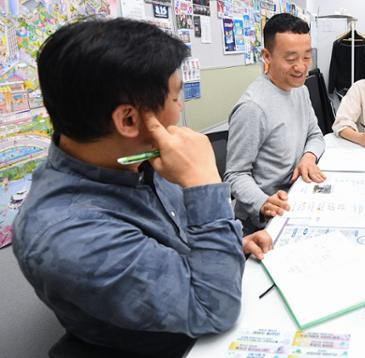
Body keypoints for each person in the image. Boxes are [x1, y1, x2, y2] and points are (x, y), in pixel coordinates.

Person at [12, 18, 272, 357]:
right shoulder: (67, 234)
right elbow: (214, 309)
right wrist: (204, 181)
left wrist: (228, 245)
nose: (180, 110)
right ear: (129, 120)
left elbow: (173, 240)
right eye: (177, 98)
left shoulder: (131, 157)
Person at [225, 13, 326, 235]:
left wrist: (308, 157)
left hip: (298, 197)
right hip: (261, 222)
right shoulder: (253, 108)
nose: (301, 67)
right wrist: (264, 202)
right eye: (291, 59)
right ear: (267, 56)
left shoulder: (300, 90)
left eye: (307, 57)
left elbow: (316, 135)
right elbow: (235, 175)